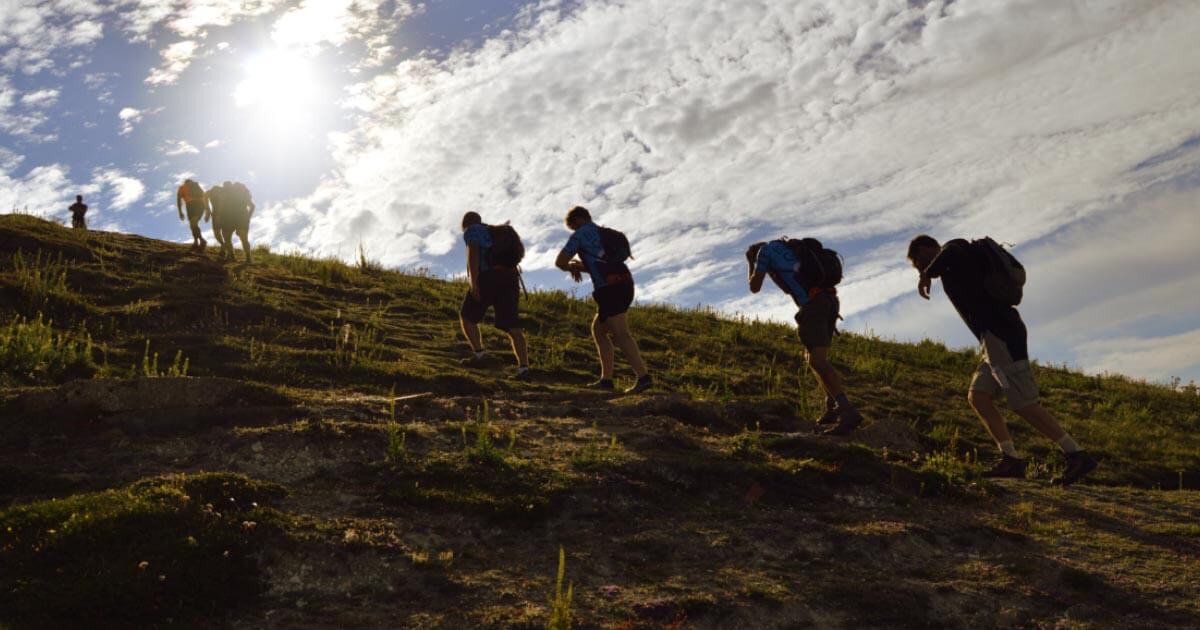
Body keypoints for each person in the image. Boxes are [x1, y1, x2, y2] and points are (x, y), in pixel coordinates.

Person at [907, 234, 1097, 485]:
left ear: (931, 248)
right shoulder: (953, 267)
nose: (922, 267)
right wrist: (928, 272)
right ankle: (1010, 459)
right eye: (919, 265)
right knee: (978, 396)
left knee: (1022, 402)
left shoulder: (958, 250)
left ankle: (1076, 454)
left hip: (1002, 334)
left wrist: (925, 275)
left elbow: (953, 249)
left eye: (922, 259)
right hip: (991, 340)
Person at [746, 239, 863, 436]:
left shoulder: (763, 253)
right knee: (812, 358)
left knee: (818, 361)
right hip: (830, 300)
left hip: (813, 305)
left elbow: (754, 287)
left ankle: (847, 410)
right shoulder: (788, 248)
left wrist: (751, 262)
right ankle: (832, 406)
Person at [554, 206, 652, 394]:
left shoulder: (580, 235)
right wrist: (580, 267)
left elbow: (560, 262)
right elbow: (598, 264)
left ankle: (643, 377)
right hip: (624, 283)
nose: (574, 230)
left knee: (621, 334)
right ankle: (606, 380)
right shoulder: (604, 233)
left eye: (573, 226)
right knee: (598, 329)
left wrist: (570, 267)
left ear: (577, 221)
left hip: (609, 288)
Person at [457, 212, 531, 381]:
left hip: (489, 277)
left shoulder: (472, 230)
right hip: (511, 278)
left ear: (465, 223)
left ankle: (480, 355)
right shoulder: (496, 233)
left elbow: (473, 255)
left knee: (467, 316)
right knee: (512, 325)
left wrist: (474, 283)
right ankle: (524, 369)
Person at [214, 180, 254, 263]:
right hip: (242, 216)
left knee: (227, 238)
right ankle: (248, 258)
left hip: (228, 218)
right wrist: (248, 218)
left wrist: (218, 217)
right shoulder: (241, 193)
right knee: (244, 239)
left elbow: (221, 207)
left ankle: (232, 257)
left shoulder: (223, 193)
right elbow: (252, 206)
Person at [176, 179, 210, 250]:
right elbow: (204, 197)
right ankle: (196, 242)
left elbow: (178, 200)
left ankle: (201, 240)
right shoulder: (196, 186)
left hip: (191, 205)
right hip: (200, 205)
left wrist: (180, 211)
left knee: (193, 224)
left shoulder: (182, 187)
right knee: (193, 224)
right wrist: (207, 209)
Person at [206, 183, 226, 249]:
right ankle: (223, 245)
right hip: (216, 213)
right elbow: (205, 198)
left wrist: (208, 211)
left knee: (222, 232)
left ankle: (225, 246)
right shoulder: (210, 192)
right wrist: (208, 210)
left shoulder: (222, 191)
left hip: (222, 213)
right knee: (217, 232)